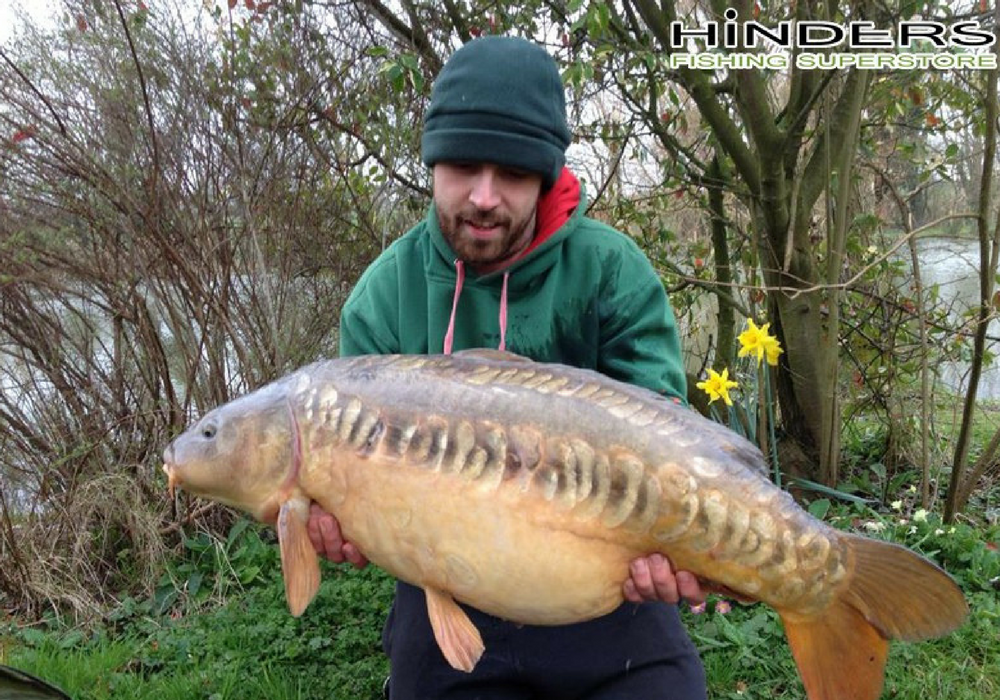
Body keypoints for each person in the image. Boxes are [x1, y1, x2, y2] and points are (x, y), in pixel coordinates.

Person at [308, 35, 708, 699]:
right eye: (464, 167)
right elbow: (350, 479)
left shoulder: (612, 272)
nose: (486, 197)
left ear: (546, 176)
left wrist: (673, 552)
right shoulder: (384, 298)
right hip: (451, 588)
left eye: (515, 173)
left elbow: (664, 444)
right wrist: (334, 515)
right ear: (432, 164)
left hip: (605, 585)